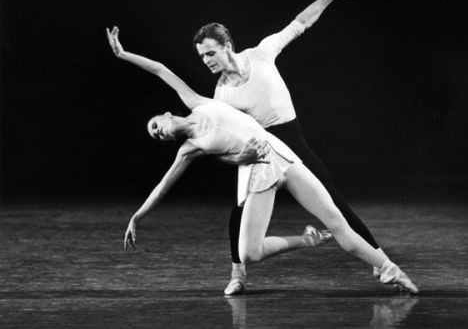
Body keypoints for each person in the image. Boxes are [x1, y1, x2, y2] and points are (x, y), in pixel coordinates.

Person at [106, 26, 418, 294]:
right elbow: (163, 187)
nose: (158, 133)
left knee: (337, 221)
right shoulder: (188, 150)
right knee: (249, 252)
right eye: (155, 137)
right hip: (259, 174)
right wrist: (137, 217)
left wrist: (123, 55)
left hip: (282, 153)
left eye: (156, 126)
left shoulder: (196, 101)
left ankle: (391, 270)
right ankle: (305, 241)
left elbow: (161, 70)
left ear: (167, 114)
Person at [193, 0, 396, 295]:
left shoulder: (261, 53)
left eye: (209, 53)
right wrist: (239, 155)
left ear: (226, 46)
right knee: (239, 212)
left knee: (336, 205)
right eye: (202, 57)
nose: (206, 61)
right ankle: (238, 274)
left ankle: (376, 258)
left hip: (294, 140)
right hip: (263, 151)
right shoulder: (221, 95)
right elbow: (223, 139)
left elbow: (300, 23)